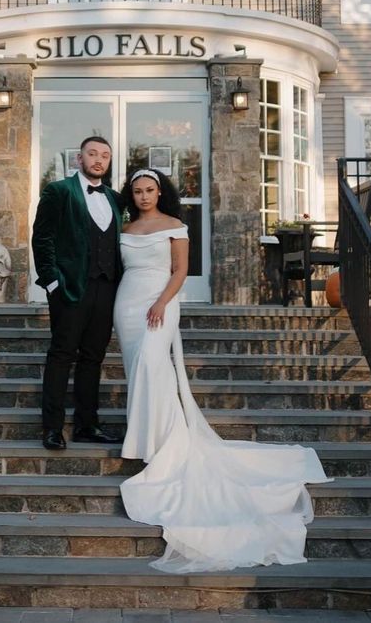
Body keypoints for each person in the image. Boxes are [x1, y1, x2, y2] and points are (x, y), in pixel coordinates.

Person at [114, 167, 330, 573]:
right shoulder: (125, 228)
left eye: (150, 190)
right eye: (138, 191)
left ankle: (162, 447)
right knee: (137, 370)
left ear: (160, 192)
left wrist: (161, 303)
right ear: (132, 194)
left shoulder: (176, 225)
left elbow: (180, 271)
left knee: (153, 365)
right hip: (125, 304)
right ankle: (148, 437)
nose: (144, 196)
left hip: (159, 302)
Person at [32, 135, 123, 451]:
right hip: (69, 289)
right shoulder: (58, 191)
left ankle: (87, 425)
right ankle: (52, 428)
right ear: (79, 159)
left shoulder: (115, 198)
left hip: (107, 288)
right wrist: (52, 282)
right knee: (61, 356)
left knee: (93, 358)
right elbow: (42, 239)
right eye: (93, 154)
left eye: (105, 156)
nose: (99, 160)